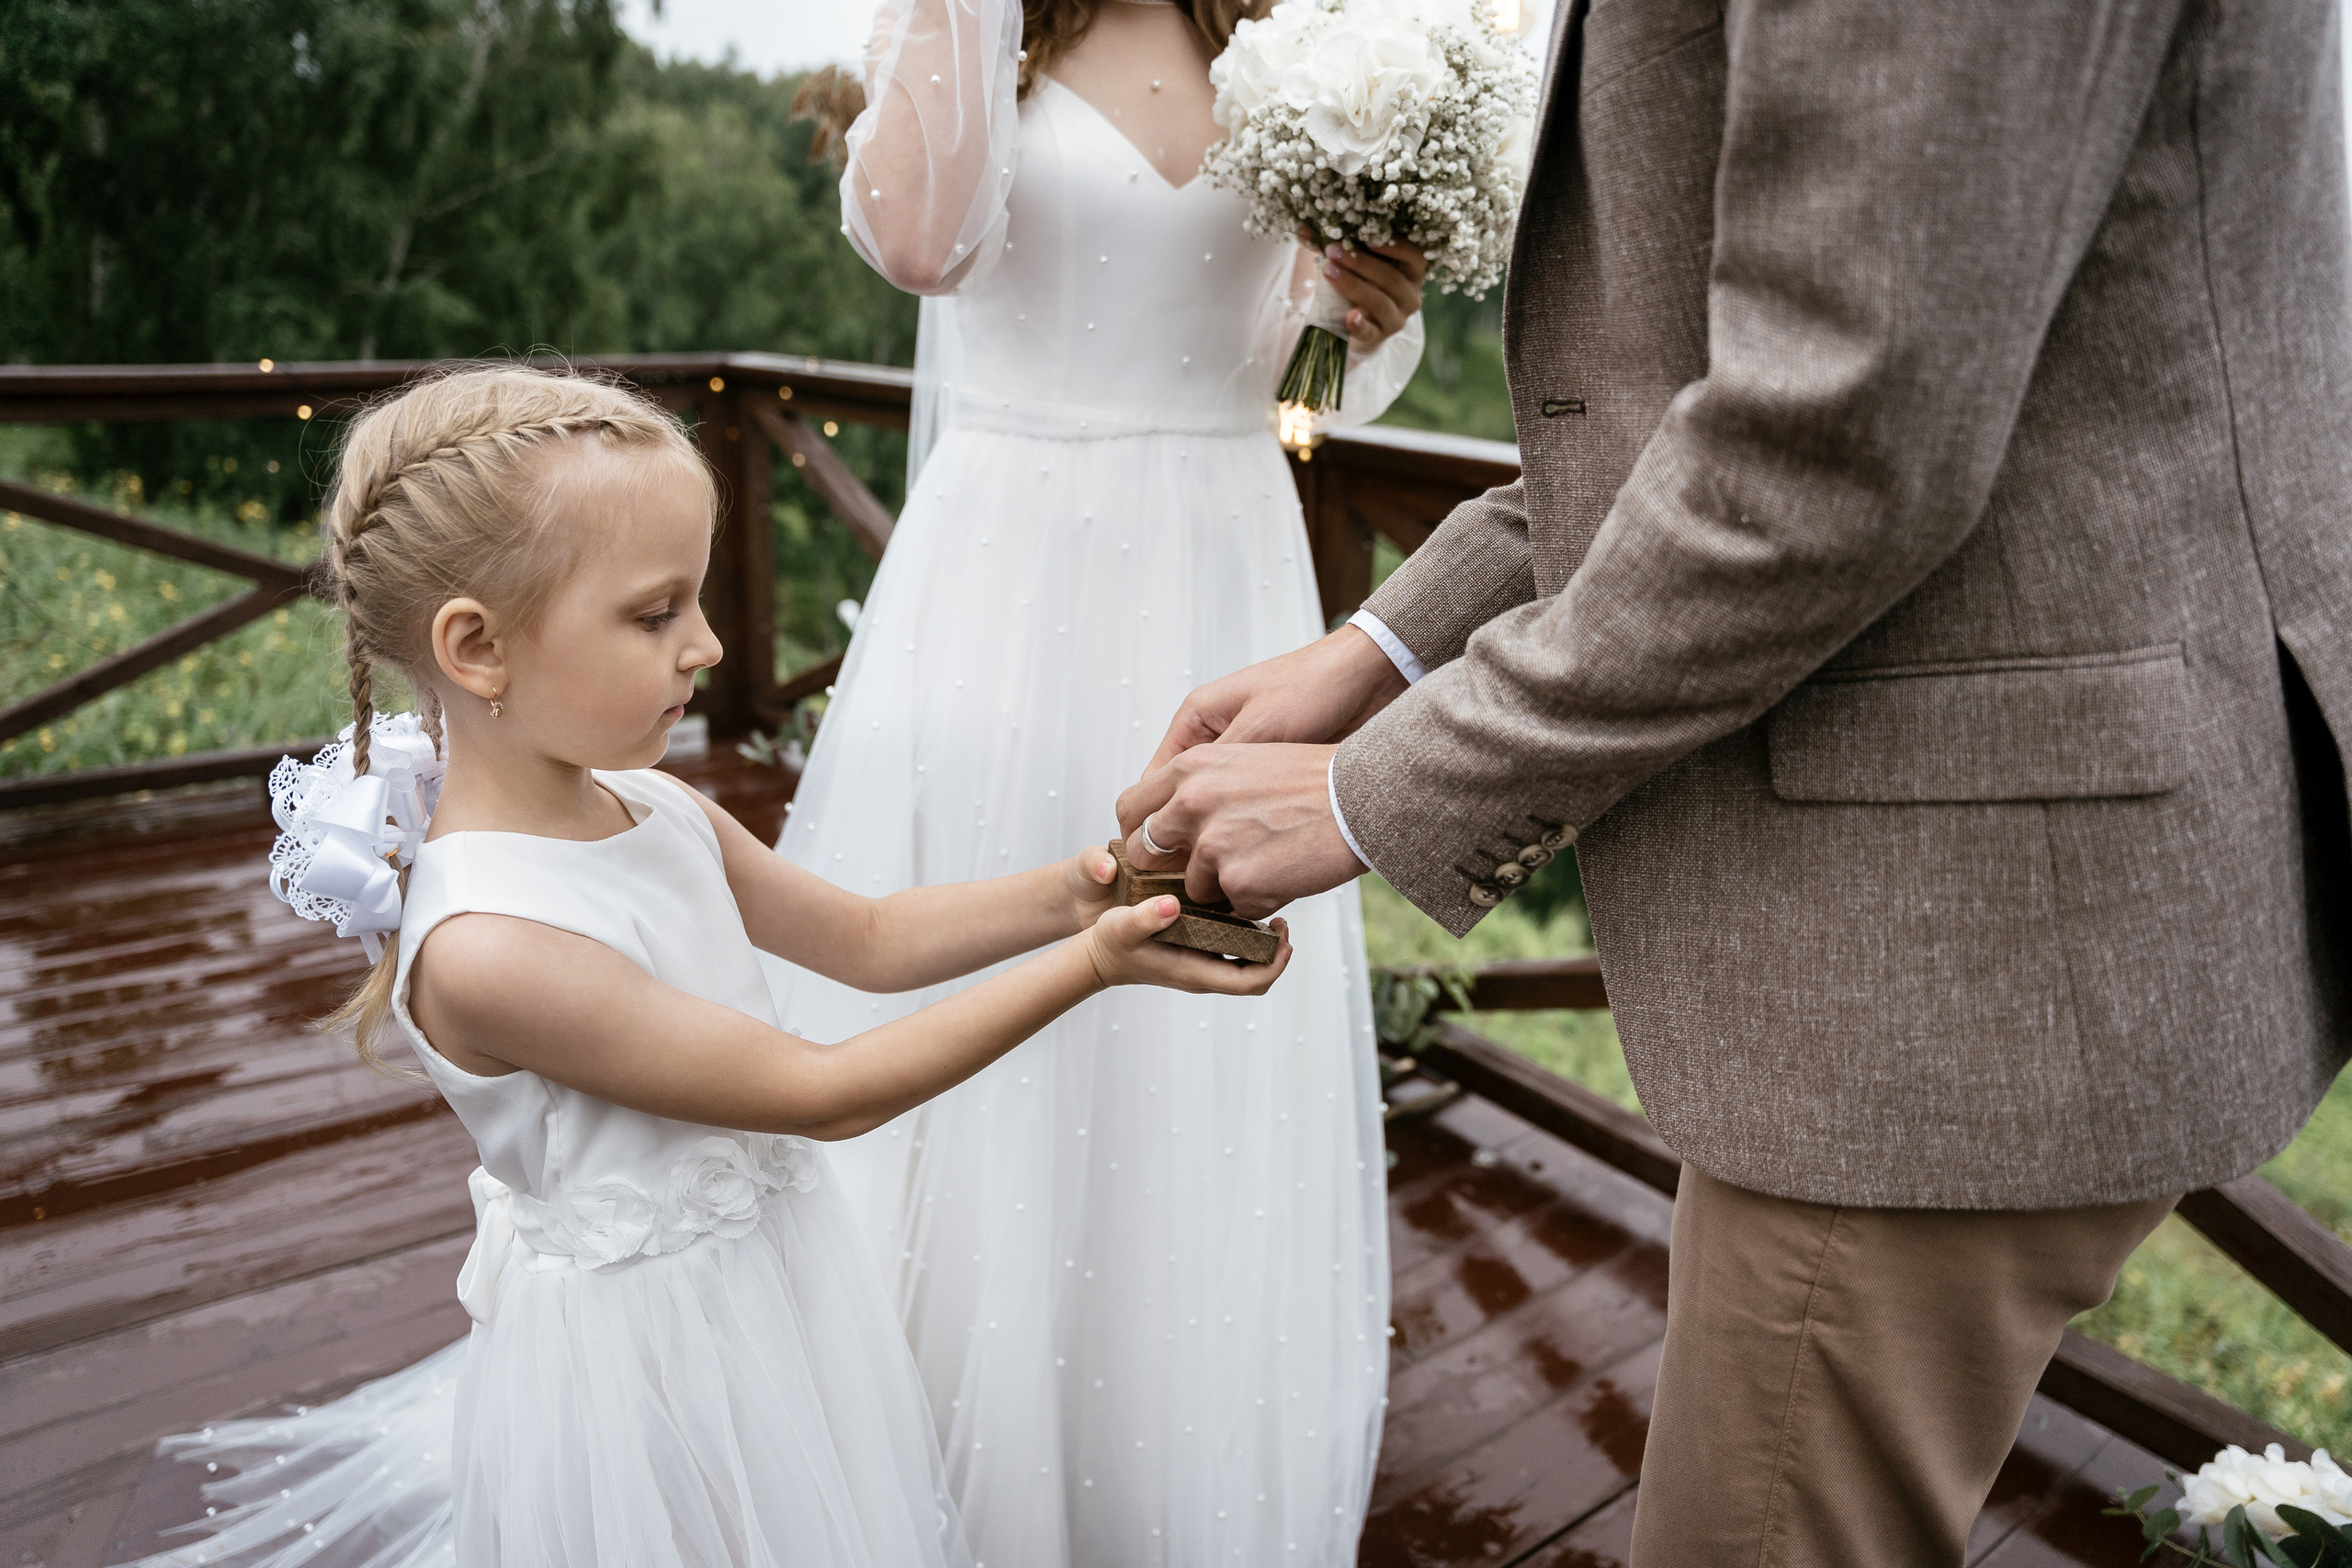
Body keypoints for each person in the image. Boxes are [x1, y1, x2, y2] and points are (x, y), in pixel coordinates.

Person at [1116, 0, 2352, 1563]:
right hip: (1966, 898)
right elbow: (1682, 397)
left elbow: (1838, 432)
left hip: (1947, 945)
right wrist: (1383, 646)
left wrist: (1381, 785)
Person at [114, 365, 1289, 1568]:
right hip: (647, 1369)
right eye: (654, 612)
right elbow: (824, 1091)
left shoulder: (655, 807)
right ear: (476, 648)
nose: (708, 644)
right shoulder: (490, 949)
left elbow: (872, 941)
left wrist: (1085, 884)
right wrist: (1094, 966)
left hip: (771, 1287)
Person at [758, 3, 1426, 1563]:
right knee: (1008, 959)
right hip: (1010, 568)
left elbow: (1303, 379)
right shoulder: (975, 25)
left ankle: (1159, 1462)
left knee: (1191, 1017)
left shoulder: (1282, 37)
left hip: (1222, 549)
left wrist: (1361, 308)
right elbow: (919, 244)